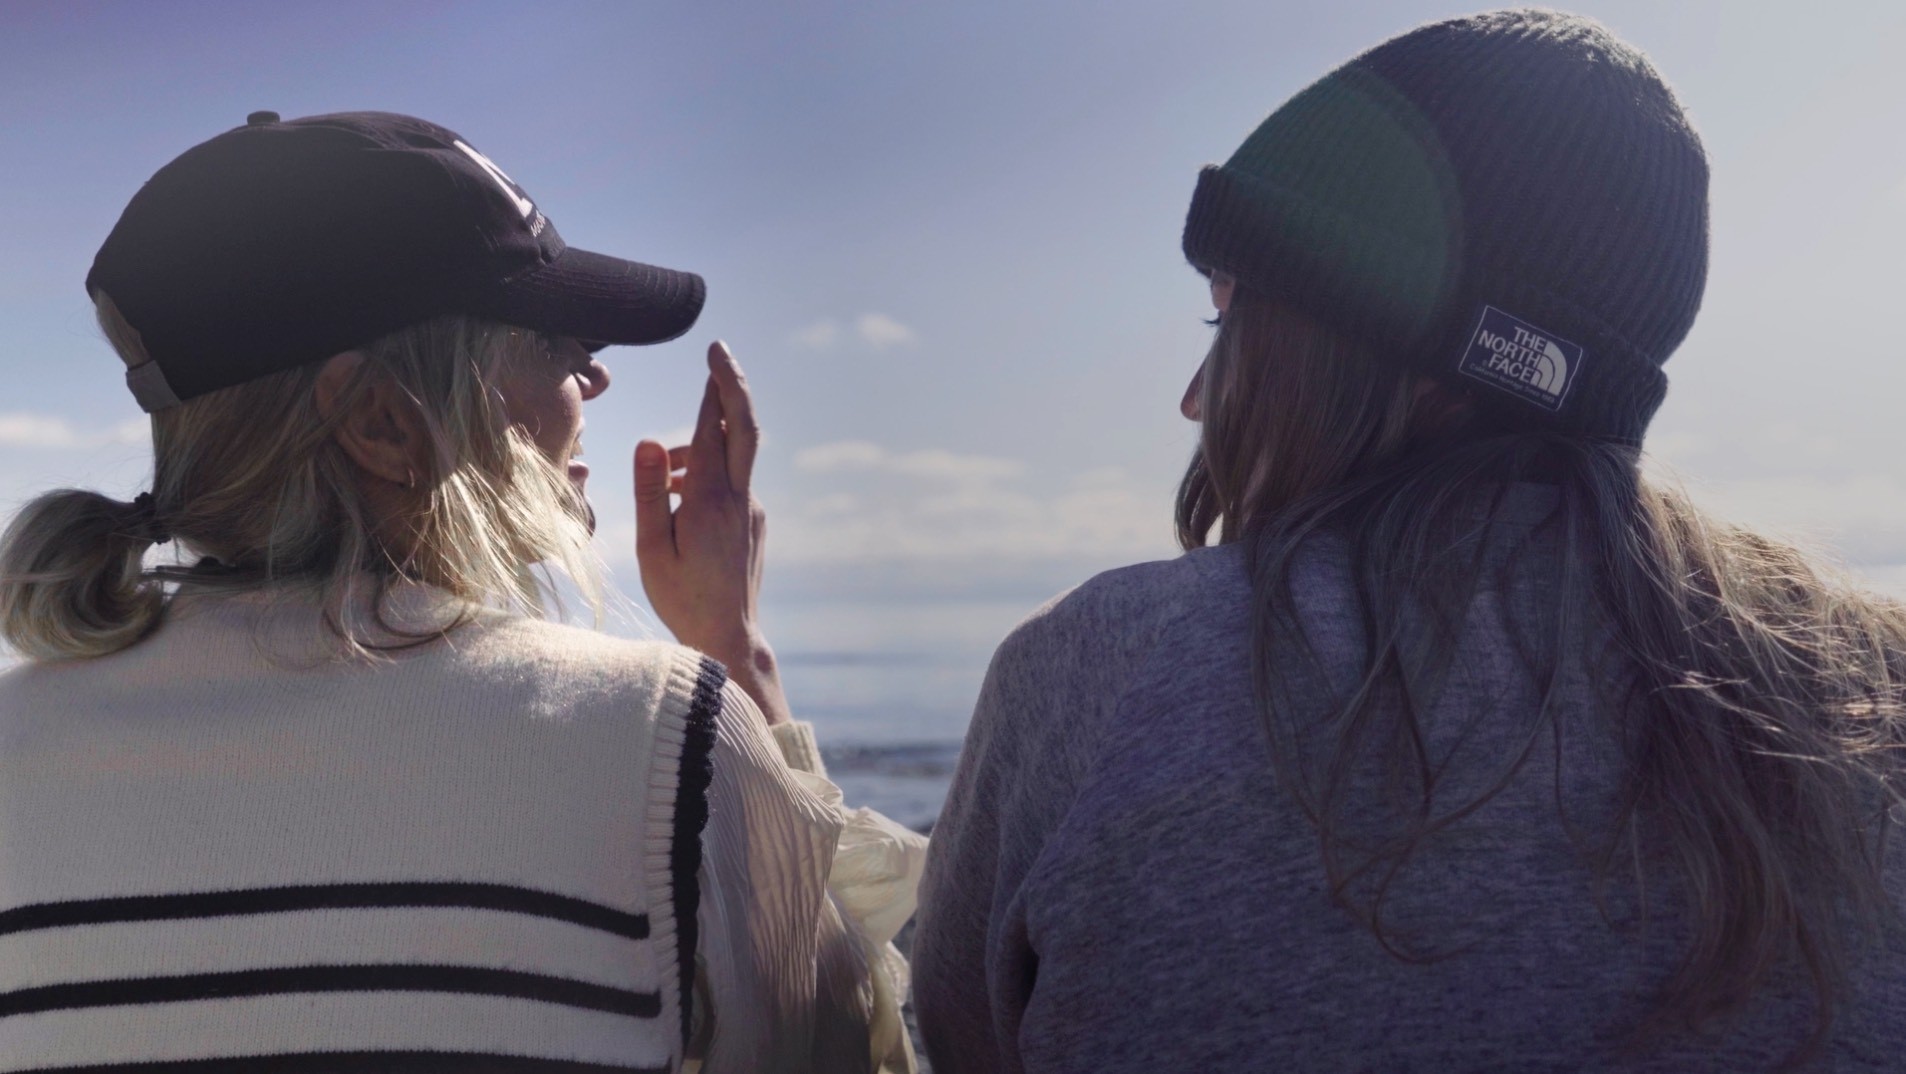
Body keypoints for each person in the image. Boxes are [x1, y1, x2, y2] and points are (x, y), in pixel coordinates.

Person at [913, 11, 1906, 1072]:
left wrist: (742, 707)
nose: (1197, 400)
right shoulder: (1870, 690)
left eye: (1227, 319)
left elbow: (969, 1045)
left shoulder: (1100, 669)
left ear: (1390, 352)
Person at [0, 111, 923, 1073]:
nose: (594, 377)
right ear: (381, 424)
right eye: (552, 340)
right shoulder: (657, 740)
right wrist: (734, 654)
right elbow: (857, 1052)